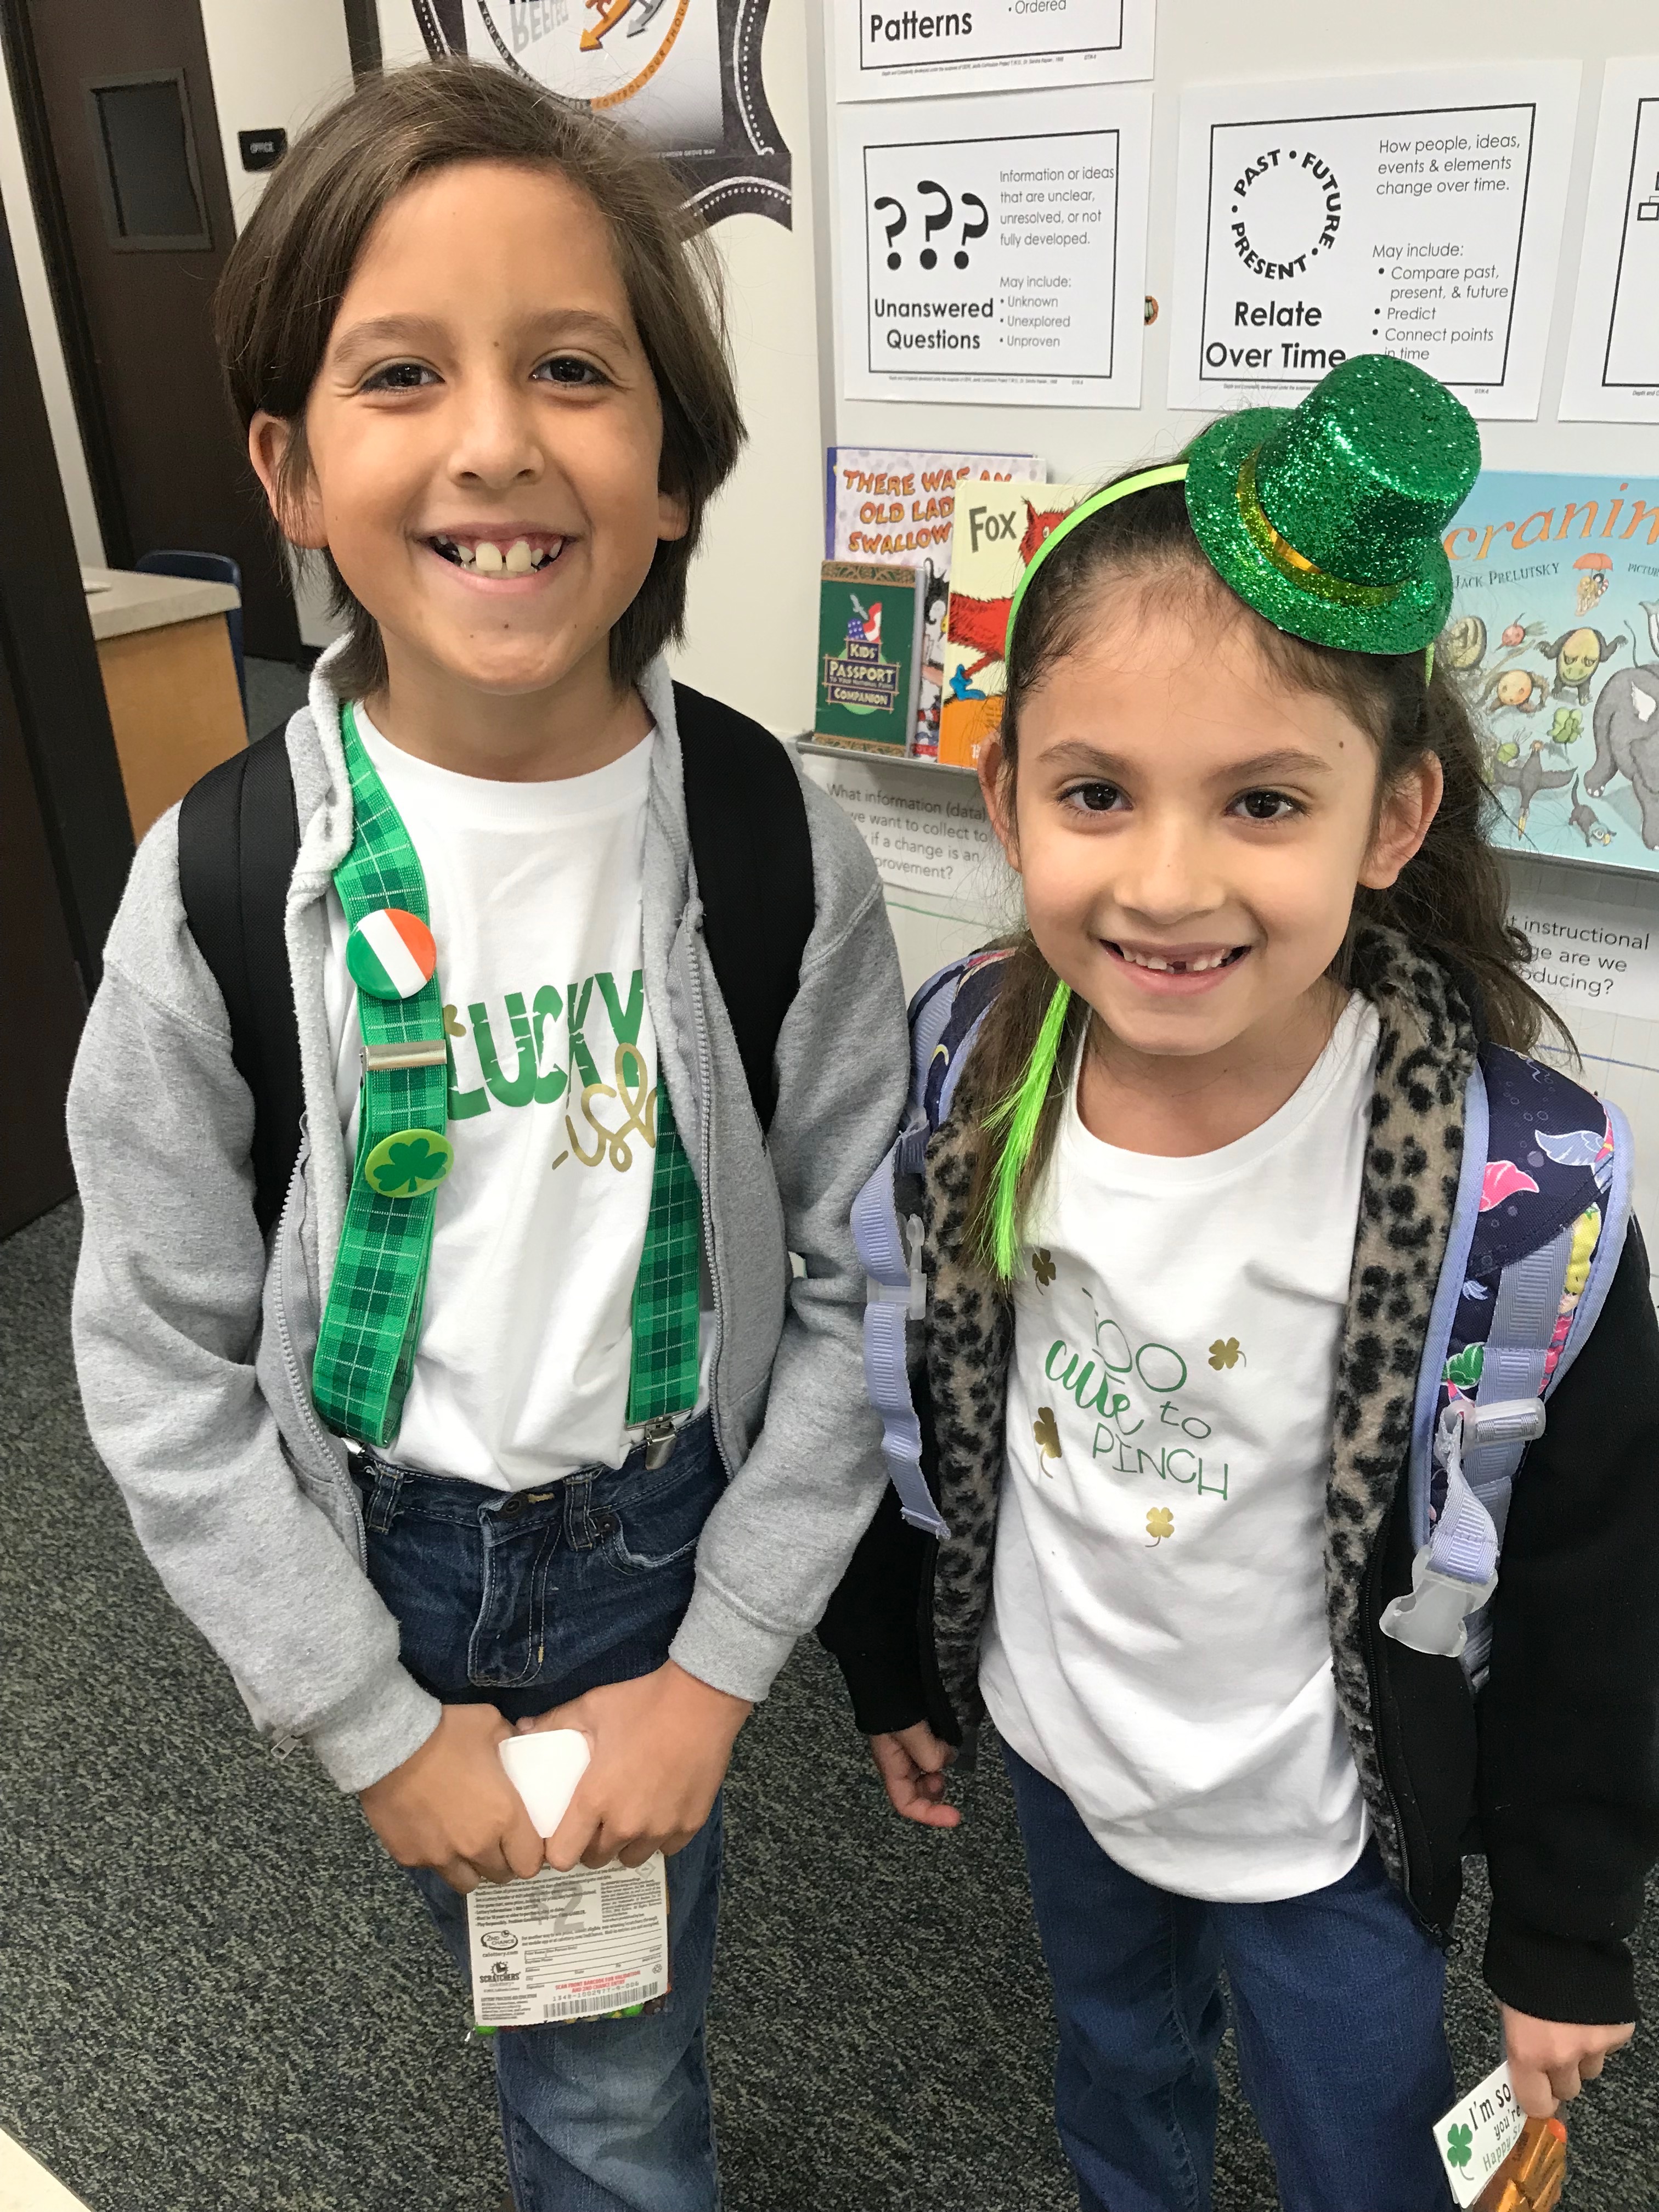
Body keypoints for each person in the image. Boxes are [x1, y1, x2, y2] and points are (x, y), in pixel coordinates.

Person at [67, 61, 906, 2212]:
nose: (497, 443)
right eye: (400, 375)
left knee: (604, 2075)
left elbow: (859, 1272)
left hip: (655, 1543)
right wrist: (368, 1718)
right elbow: (155, 1349)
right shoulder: (222, 881)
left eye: (570, 370)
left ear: (678, 470)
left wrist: (718, 1672)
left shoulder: (762, 842)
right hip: (381, 1549)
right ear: (291, 470)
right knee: (527, 1955)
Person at [819, 356, 1659, 2212]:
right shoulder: (967, 1067)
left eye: (1264, 804)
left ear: (1392, 819)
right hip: (1063, 1751)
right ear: (1008, 799)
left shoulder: (1524, 1205)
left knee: (1371, 2156)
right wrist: (889, 1657)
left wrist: (1567, 1937)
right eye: (1100, 793)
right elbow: (901, 1372)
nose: (1171, 883)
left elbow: (1601, 1602)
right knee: (1119, 2077)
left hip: (1329, 1835)